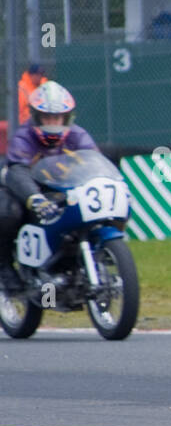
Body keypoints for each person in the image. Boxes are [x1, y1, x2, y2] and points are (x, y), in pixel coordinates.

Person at [0, 81, 99, 295]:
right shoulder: (23, 137)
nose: (53, 124)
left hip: (61, 191)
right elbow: (18, 171)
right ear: (36, 117)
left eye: (58, 118)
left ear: (67, 117)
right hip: (26, 193)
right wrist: (34, 198)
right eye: (47, 118)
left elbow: (94, 162)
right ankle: (4, 267)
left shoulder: (78, 136)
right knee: (9, 211)